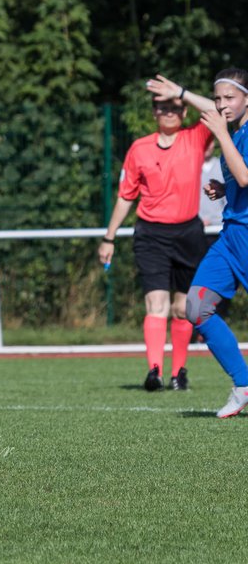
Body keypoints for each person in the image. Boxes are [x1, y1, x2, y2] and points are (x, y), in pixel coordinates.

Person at [145, 70, 248, 416]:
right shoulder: (234, 129)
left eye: (229, 98)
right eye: (217, 99)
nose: (221, 105)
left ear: (247, 99)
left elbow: (246, 176)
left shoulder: (236, 132)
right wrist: (225, 189)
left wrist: (220, 133)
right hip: (230, 237)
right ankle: (243, 383)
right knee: (197, 306)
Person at [98, 91, 211, 391]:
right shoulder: (139, 148)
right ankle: (155, 371)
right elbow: (126, 196)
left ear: (184, 112)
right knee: (156, 303)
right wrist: (109, 237)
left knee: (183, 308)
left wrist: (182, 93)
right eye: (162, 108)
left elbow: (217, 110)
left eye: (174, 107)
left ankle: (179, 373)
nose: (168, 112)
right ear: (153, 114)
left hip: (188, 233)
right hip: (151, 235)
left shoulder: (196, 137)